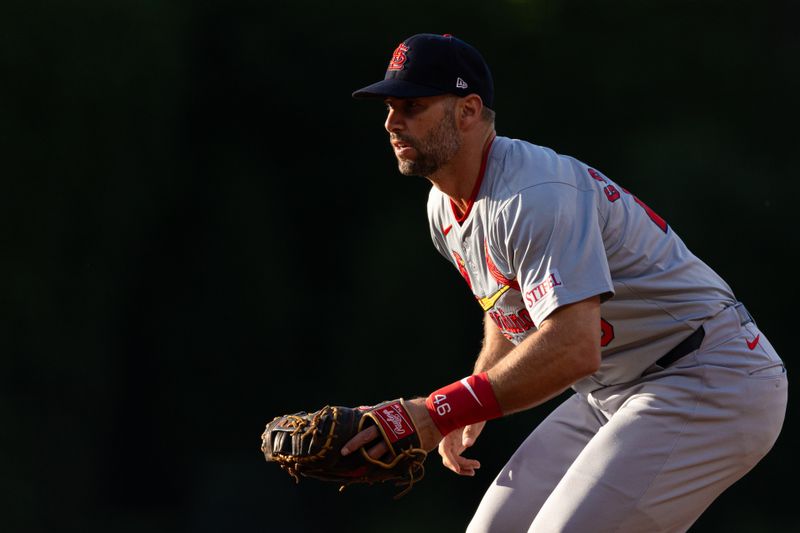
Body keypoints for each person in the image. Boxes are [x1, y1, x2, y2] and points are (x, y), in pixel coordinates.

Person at [342, 33, 788, 532]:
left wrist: (439, 410)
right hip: (618, 389)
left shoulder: (533, 194)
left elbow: (574, 349)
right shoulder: (443, 207)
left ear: (468, 111)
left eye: (413, 105)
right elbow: (506, 308)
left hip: (710, 375)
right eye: (388, 107)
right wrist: (474, 392)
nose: (392, 122)